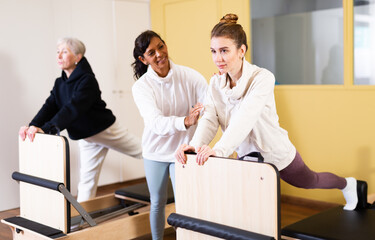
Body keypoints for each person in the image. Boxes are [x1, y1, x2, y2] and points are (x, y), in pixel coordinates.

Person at [175, 14, 359, 211]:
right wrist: (195, 146)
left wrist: (219, 151)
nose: (217, 58)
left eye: (224, 51)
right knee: (249, 205)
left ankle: (347, 184)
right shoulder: (215, 83)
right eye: (213, 51)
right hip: (248, 155)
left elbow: (245, 117)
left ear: (241, 50)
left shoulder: (262, 78)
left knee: (309, 180)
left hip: (275, 151)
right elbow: (210, 118)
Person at [19, 37, 142, 202]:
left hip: (104, 130)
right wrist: (32, 126)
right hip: (86, 136)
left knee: (145, 151)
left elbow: (72, 109)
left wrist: (47, 129)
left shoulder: (87, 80)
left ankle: (176, 163)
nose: (59, 56)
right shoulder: (60, 83)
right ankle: (84, 222)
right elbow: (49, 106)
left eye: (64, 52)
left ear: (78, 57)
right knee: (86, 182)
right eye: (58, 52)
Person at [132, 30, 207, 239]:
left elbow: (209, 103)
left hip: (181, 150)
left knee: (184, 202)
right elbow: (155, 123)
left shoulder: (189, 76)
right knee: (157, 201)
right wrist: (185, 121)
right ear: (143, 59)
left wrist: (216, 93)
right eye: (151, 52)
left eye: (161, 46)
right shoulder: (141, 87)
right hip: (154, 151)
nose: (159, 54)